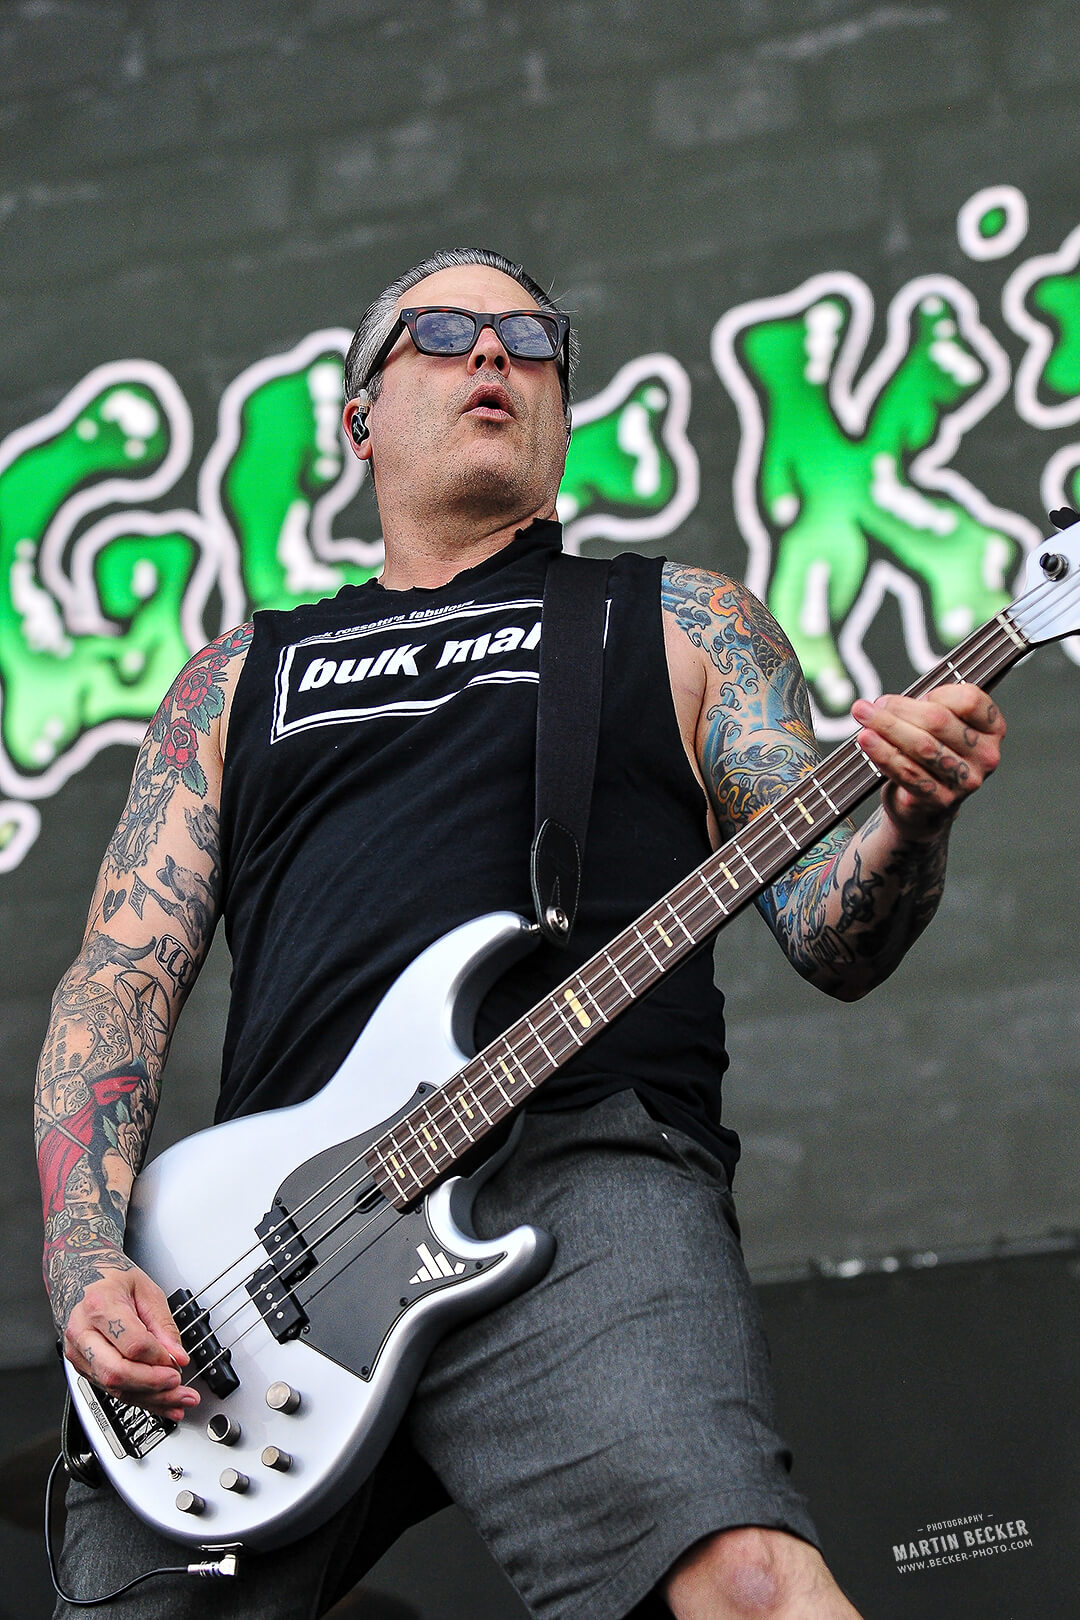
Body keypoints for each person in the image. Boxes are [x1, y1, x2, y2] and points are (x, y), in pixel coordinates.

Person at [35, 248, 1005, 1620]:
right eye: (442, 332)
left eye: (530, 340)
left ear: (560, 411)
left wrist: (912, 820)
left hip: (580, 1165)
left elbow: (830, 930)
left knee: (746, 1581)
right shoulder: (237, 679)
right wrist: (84, 1249)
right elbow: (120, 980)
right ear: (359, 417)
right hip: (269, 1254)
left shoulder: (680, 623)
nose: (494, 354)